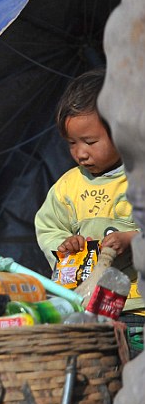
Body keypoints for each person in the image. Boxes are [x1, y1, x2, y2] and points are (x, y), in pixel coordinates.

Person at [35, 67, 143, 313]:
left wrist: (133, 239)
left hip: (139, 306)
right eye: (72, 143)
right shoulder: (67, 187)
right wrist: (67, 245)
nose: (80, 153)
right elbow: (48, 227)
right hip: (92, 306)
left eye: (90, 142)